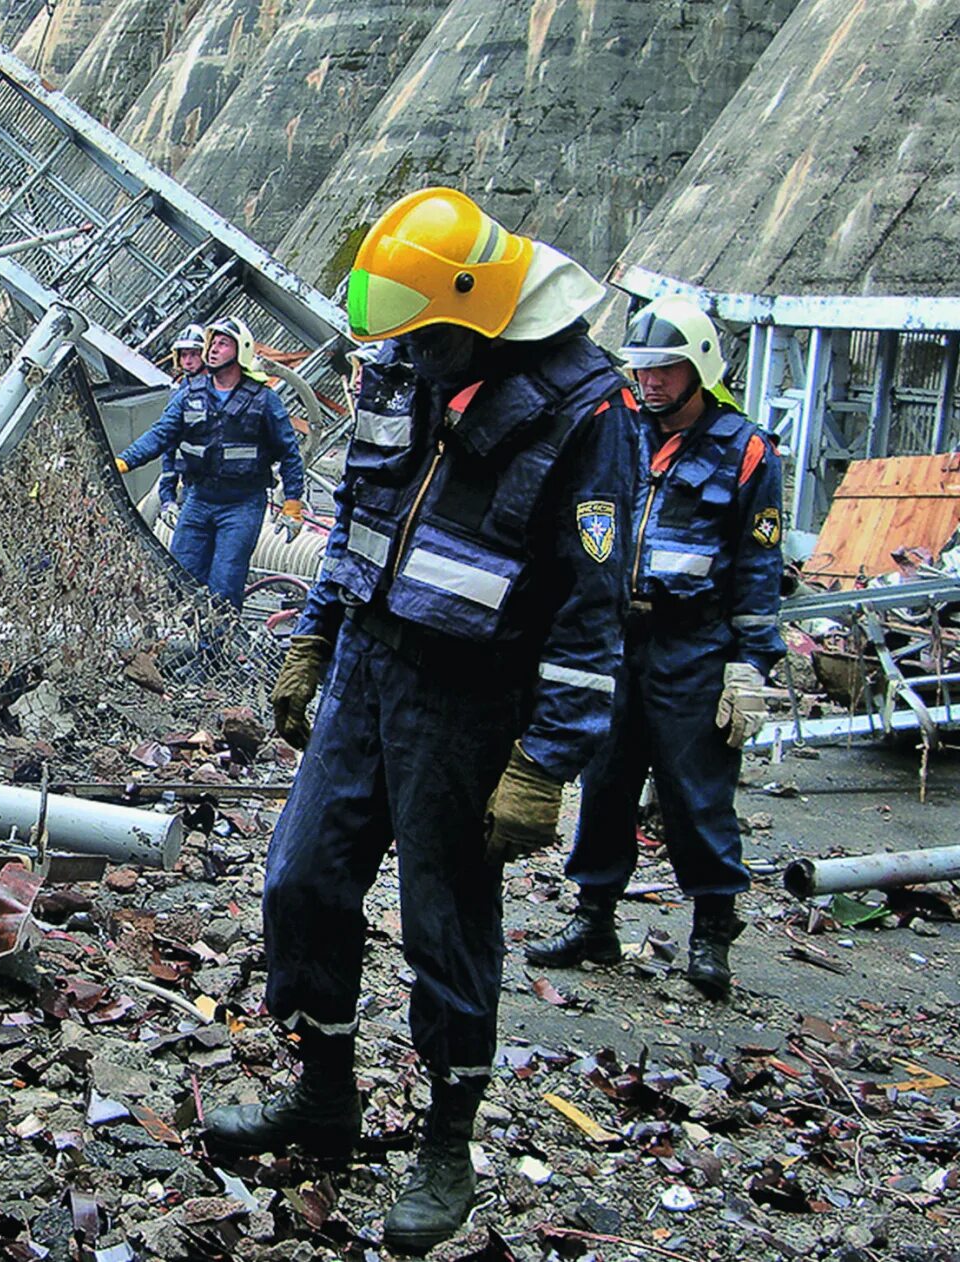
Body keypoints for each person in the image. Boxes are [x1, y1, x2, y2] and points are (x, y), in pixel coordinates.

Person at [202, 188, 635, 1253]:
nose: (401, 355)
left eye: (419, 338)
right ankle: (324, 1089)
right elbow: (362, 504)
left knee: (445, 920)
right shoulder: (406, 357)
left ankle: (446, 1137)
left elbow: (593, 607)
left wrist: (542, 763)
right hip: (365, 660)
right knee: (301, 878)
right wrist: (312, 635)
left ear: (473, 314)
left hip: (470, 693)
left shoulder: (589, 410)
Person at [527, 296, 783, 1000]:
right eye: (642, 368)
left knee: (696, 796)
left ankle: (710, 937)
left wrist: (751, 665)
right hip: (615, 641)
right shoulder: (619, 433)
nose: (651, 382)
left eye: (666, 369)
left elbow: (759, 566)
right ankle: (593, 919)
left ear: (699, 367)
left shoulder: (747, 449)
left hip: (693, 646)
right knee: (604, 785)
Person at [114, 316, 305, 608]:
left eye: (223, 344)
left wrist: (293, 502)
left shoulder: (264, 400)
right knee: (180, 577)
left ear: (240, 352)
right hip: (198, 499)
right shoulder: (188, 394)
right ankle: (189, 642)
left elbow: (289, 452)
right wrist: (125, 462)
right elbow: (161, 435)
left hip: (242, 505)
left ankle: (217, 649)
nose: (213, 350)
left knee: (225, 585)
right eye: (212, 343)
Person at [156, 323, 209, 526]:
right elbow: (169, 443)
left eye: (194, 354)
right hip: (194, 485)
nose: (188, 361)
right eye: (184, 355)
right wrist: (167, 497)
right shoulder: (180, 394)